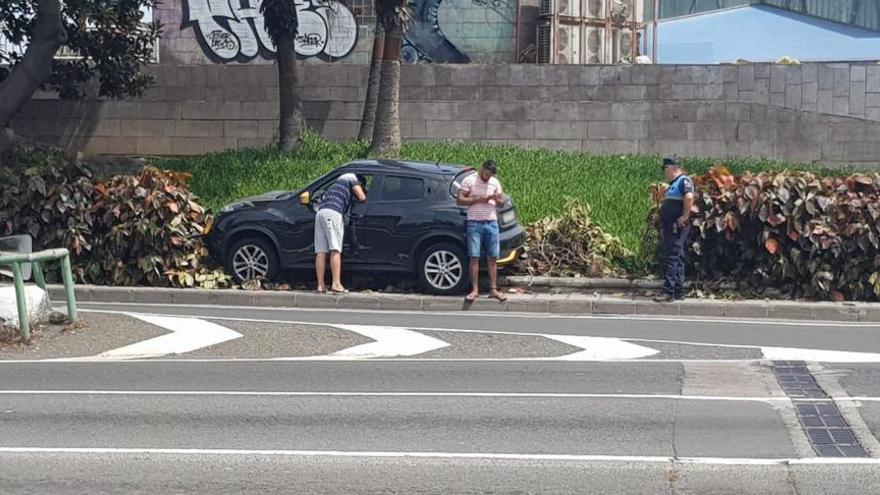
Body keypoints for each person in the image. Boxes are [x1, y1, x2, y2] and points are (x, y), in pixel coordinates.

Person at [457, 160, 507, 303]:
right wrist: (478, 199)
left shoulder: (494, 182)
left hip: (491, 222)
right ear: (482, 169)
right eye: (486, 174)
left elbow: (501, 202)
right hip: (474, 222)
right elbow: (460, 200)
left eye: (490, 175)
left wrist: (497, 199)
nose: (487, 177)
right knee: (474, 256)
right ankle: (474, 289)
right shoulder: (469, 180)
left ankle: (493, 289)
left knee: (492, 257)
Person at [315, 173, 366, 293]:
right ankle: (336, 284)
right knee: (335, 249)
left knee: (321, 251)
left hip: (320, 213)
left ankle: (320, 285)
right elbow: (362, 197)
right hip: (333, 213)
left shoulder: (334, 186)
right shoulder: (351, 179)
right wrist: (359, 191)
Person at [655, 157, 695, 302]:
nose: (664, 173)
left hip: (676, 226)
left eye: (664, 169)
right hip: (671, 226)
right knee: (677, 255)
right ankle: (678, 289)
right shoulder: (674, 184)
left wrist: (685, 216)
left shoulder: (683, 181)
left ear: (670, 168)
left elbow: (689, 197)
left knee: (672, 255)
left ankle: (668, 291)